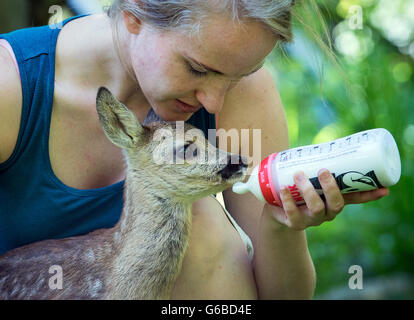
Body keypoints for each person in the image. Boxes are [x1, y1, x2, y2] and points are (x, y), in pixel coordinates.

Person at [0, 0, 389, 299]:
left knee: (201, 225)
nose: (215, 103)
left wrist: (282, 224)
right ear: (135, 12)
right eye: (199, 69)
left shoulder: (245, 98)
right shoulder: (11, 89)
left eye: (239, 76)